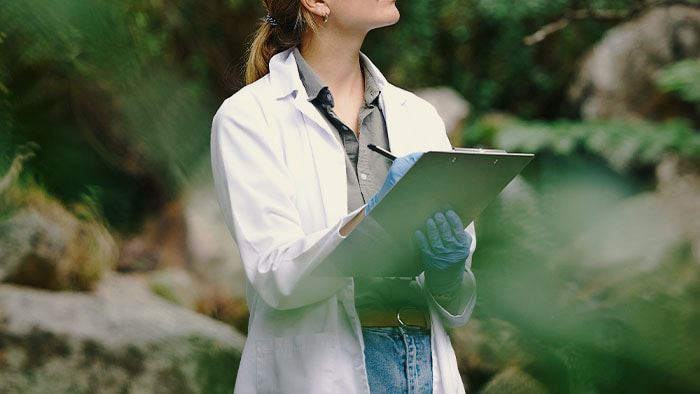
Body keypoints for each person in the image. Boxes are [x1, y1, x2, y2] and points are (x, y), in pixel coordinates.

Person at [210, 0, 477, 392]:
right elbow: (275, 274)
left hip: (424, 363)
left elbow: (457, 298)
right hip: (322, 372)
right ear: (315, 3)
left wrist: (449, 275)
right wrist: (372, 222)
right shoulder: (248, 119)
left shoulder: (418, 115)